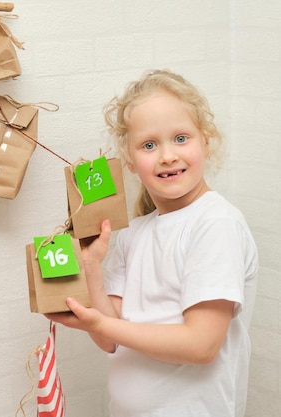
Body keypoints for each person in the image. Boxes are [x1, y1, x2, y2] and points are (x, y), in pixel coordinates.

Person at [45, 69, 258, 417]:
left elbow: (202, 345)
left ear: (206, 141)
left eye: (180, 138)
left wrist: (100, 324)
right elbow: (110, 341)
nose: (167, 156)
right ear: (129, 162)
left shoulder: (215, 224)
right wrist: (92, 269)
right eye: (148, 145)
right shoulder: (135, 233)